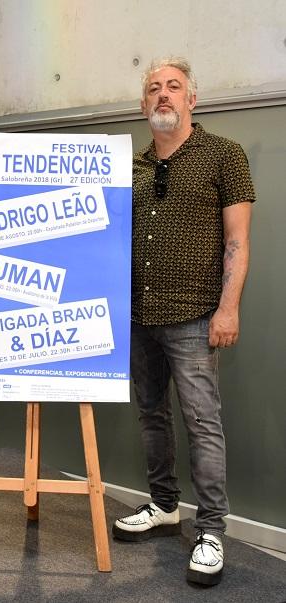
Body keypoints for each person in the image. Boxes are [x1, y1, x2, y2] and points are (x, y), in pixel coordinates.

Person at [112, 57, 255, 586]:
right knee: (151, 415)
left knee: (202, 421)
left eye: (174, 87)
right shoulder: (134, 166)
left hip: (196, 316)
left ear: (192, 99)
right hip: (139, 314)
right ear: (143, 103)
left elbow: (238, 241)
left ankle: (212, 529)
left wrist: (229, 306)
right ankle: (164, 505)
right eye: (154, 88)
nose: (163, 95)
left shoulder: (224, 155)